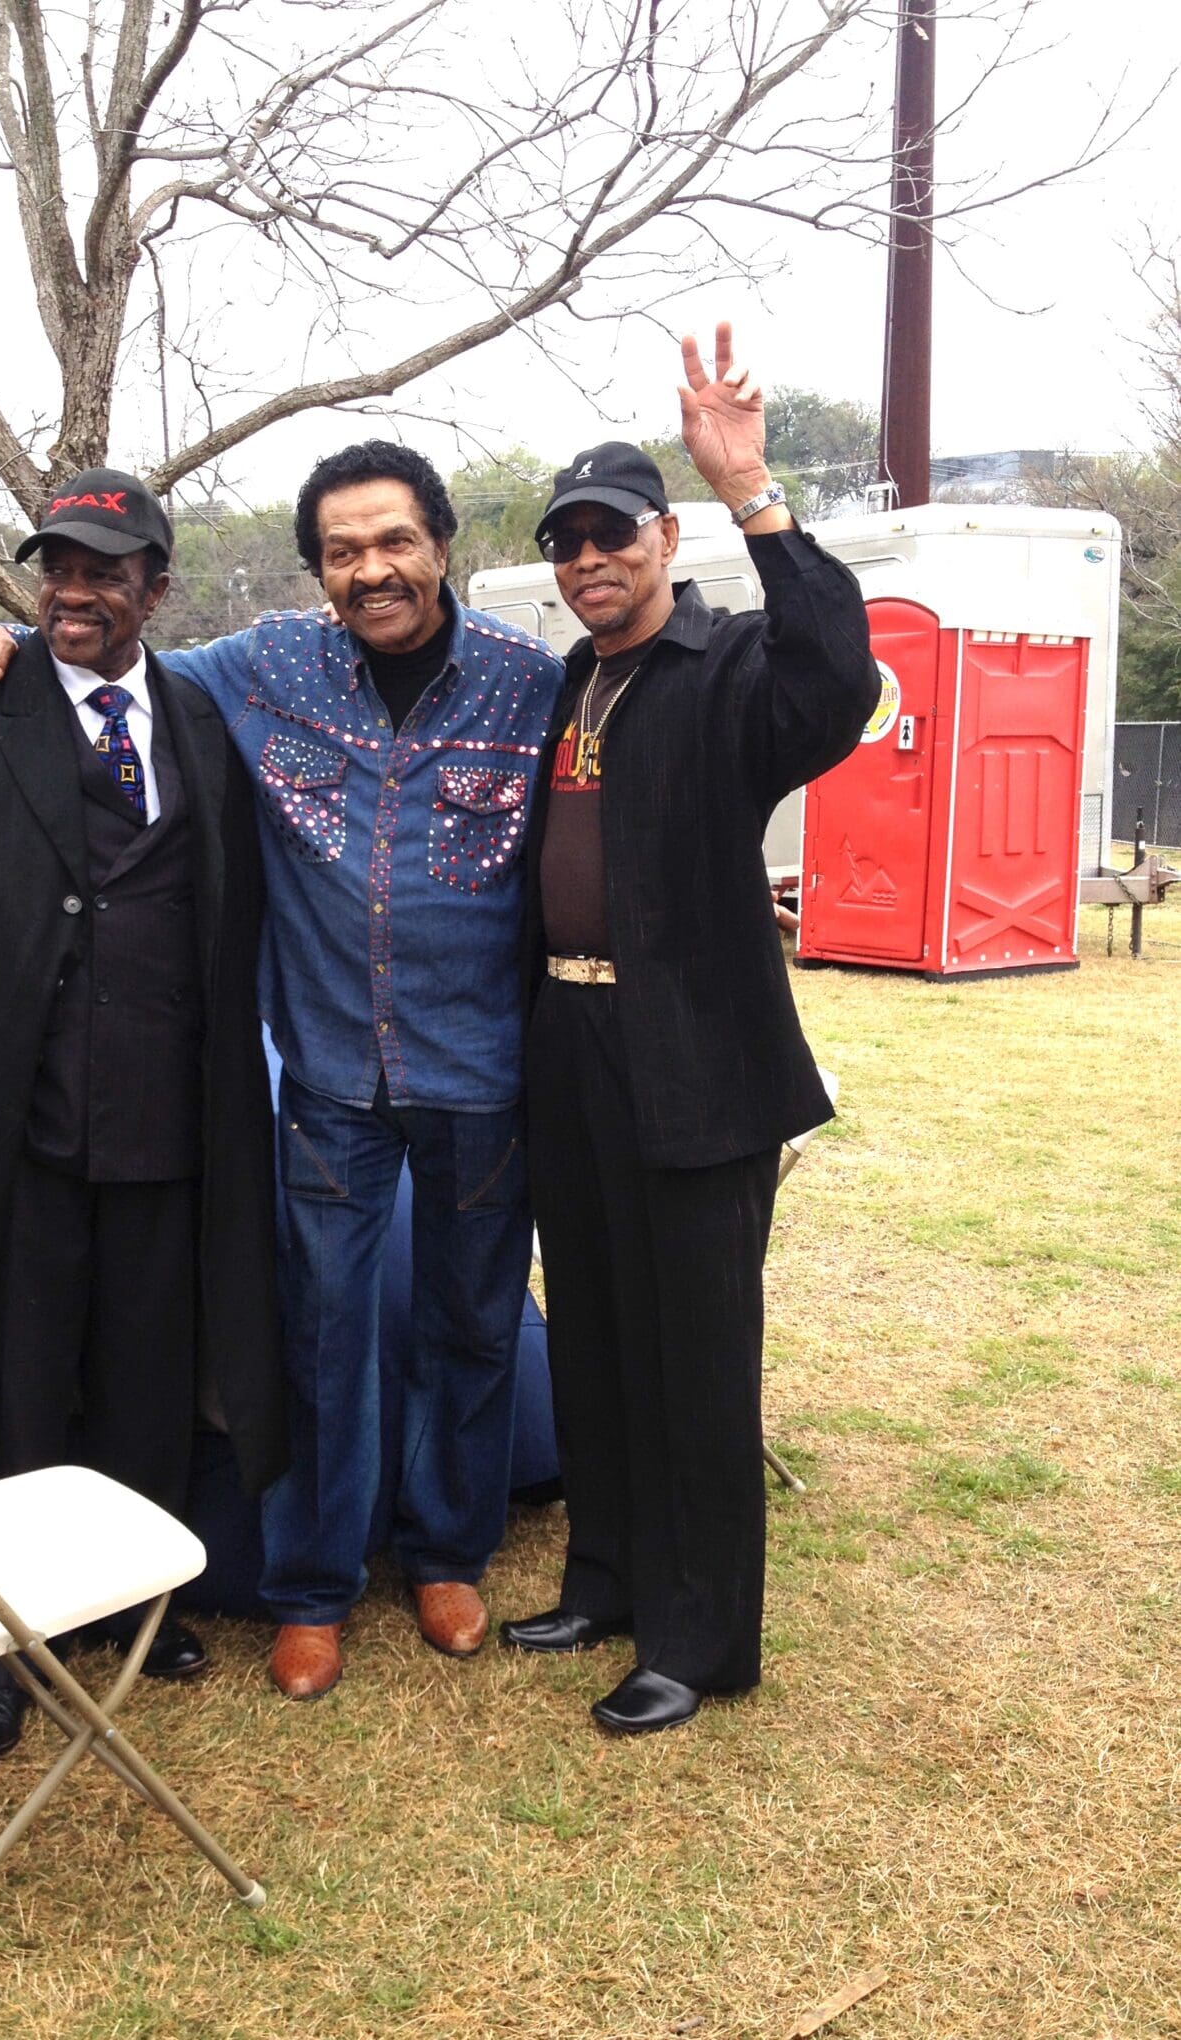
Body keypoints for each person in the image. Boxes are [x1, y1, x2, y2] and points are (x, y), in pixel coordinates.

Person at [0, 444, 564, 1702]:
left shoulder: (535, 688)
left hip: (482, 1073)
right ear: (317, 570)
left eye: (394, 543)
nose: (371, 570)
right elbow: (96, 652)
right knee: (318, 1336)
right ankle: (310, 1586)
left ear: (442, 544)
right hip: (322, 1080)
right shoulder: (259, 670)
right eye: (342, 552)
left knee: (471, 1324)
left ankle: (445, 1550)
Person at [0, 470, 285, 1762]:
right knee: (15, 1385)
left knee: (149, 1379)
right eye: (56, 566)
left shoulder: (203, 720)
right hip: (13, 1119)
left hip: (169, 1120)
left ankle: (123, 1605)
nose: (72, 591)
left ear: (157, 586)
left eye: (105, 570)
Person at [500, 325, 880, 1733]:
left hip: (700, 1065)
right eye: (568, 543)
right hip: (571, 1048)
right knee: (594, 1326)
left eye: (611, 534)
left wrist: (754, 489)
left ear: (663, 537)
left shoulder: (735, 674)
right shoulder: (566, 683)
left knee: (698, 1354)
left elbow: (841, 677)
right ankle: (605, 1579)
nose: (590, 559)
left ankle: (701, 1636)